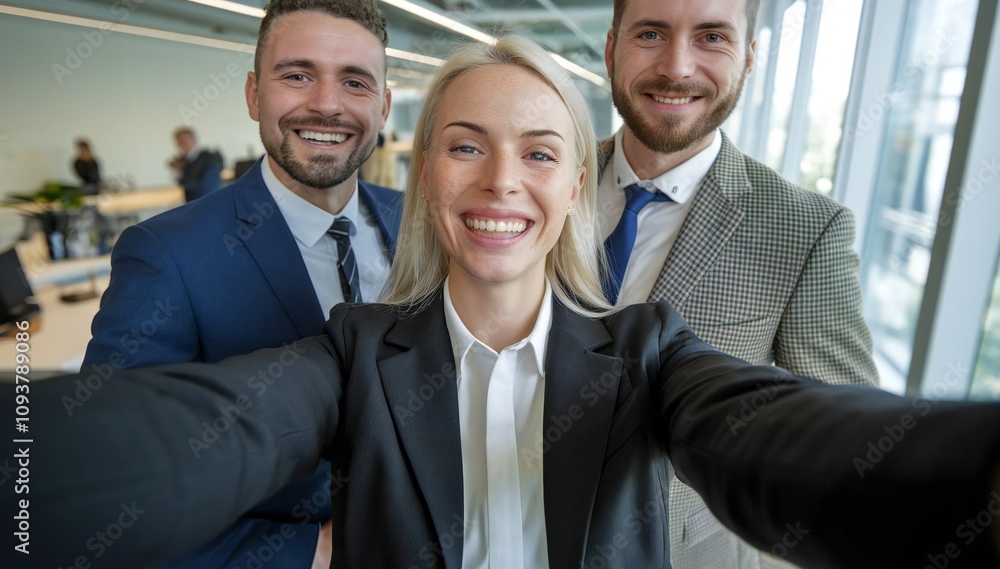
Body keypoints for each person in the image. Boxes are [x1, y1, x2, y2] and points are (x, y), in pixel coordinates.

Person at [14, 36, 1000, 569]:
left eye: (538, 152)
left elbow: (783, 439)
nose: (500, 182)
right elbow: (203, 430)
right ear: (425, 174)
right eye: (465, 143)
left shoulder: (647, 351)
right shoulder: (353, 352)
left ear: (577, 184)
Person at [81, 0, 403, 567]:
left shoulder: (422, 226)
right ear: (255, 95)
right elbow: (108, 488)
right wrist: (310, 553)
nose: (328, 103)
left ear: (383, 106)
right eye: (297, 75)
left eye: (354, 81)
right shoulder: (168, 255)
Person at [599, 0, 878, 567]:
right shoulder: (532, 188)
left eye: (712, 37)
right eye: (650, 33)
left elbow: (843, 460)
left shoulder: (807, 232)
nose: (677, 66)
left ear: (751, 55)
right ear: (611, 46)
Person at [168, 126, 225, 202]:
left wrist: (180, 175)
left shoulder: (210, 159)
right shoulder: (185, 161)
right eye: (178, 142)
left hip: (206, 203)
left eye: (183, 141)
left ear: (193, 139)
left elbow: (207, 189)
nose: (180, 145)